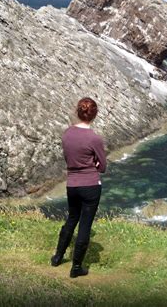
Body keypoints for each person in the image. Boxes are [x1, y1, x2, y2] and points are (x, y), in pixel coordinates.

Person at [51, 97, 107, 278]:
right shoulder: (94, 138)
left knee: (72, 218)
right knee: (85, 224)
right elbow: (103, 167)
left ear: (78, 111)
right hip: (90, 185)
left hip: (72, 184)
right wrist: (94, 164)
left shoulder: (67, 134)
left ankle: (58, 257)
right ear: (95, 115)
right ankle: (76, 268)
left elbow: (69, 159)